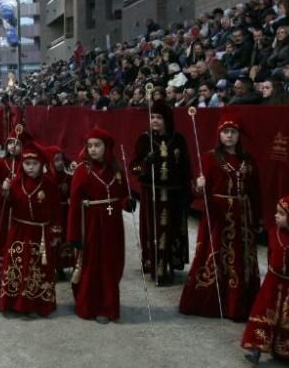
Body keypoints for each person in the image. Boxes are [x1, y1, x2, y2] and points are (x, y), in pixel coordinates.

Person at [179, 116, 262, 321]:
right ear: (219, 134)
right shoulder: (210, 158)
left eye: (233, 132)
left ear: (238, 135)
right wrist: (199, 185)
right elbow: (199, 192)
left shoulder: (248, 159)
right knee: (216, 252)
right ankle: (212, 302)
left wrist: (258, 218)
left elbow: (256, 191)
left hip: (243, 215)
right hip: (218, 214)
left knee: (241, 258)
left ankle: (238, 304)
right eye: (226, 132)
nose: (229, 136)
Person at [67, 126, 133, 323]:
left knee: (110, 265)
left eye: (97, 145)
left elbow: (122, 195)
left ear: (107, 147)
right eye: (89, 146)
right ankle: (89, 306)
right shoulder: (82, 170)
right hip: (91, 225)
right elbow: (74, 206)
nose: (93, 149)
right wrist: (73, 236)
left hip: (113, 226)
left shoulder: (117, 170)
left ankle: (108, 306)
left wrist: (127, 203)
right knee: (92, 264)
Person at [241, 194, 289, 365]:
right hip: (272, 282)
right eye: (277, 212)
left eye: (281, 214)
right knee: (263, 312)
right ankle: (256, 347)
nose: (276, 216)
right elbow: (270, 255)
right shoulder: (274, 233)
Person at [0, 142, 62, 317]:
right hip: (18, 231)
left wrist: (55, 231)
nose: (30, 168)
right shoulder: (16, 182)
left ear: (42, 164)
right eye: (27, 164)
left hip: (40, 233)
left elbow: (56, 210)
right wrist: (5, 191)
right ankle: (10, 301)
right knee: (16, 265)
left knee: (37, 268)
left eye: (35, 164)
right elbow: (6, 206)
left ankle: (36, 304)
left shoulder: (49, 184)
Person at [130, 100, 192, 285]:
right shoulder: (144, 139)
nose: (154, 121)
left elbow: (186, 167)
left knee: (171, 228)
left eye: (158, 117)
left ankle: (169, 263)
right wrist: (145, 164)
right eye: (152, 117)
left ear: (167, 119)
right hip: (153, 193)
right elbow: (133, 166)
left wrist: (187, 190)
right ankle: (157, 266)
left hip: (174, 193)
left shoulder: (178, 139)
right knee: (155, 229)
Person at [0, 124, 29, 271]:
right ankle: (3, 264)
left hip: (21, 203)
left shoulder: (27, 163)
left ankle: (20, 261)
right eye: (10, 143)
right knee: (2, 230)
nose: (12, 147)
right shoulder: (1, 162)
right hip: (3, 202)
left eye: (17, 144)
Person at [43, 144, 75, 277]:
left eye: (61, 159)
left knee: (65, 238)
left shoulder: (68, 177)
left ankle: (62, 266)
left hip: (65, 212)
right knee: (53, 238)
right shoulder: (46, 179)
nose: (60, 163)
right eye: (56, 160)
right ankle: (51, 266)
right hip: (52, 214)